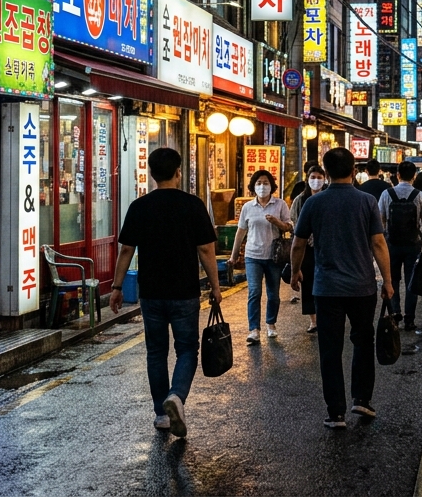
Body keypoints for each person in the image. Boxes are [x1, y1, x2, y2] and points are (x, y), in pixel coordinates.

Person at [109, 147, 222, 439]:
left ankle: (162, 413)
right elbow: (206, 249)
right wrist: (216, 287)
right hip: (184, 291)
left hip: (152, 293)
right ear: (178, 172)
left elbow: (126, 250)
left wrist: (117, 286)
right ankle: (176, 396)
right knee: (187, 349)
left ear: (151, 174)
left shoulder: (139, 206)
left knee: (156, 352)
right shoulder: (193, 204)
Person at [290, 147, 395, 429]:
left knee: (330, 349)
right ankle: (362, 399)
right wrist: (387, 280)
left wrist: (296, 272)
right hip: (362, 287)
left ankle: (335, 412)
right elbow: (378, 243)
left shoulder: (314, 203)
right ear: (353, 171)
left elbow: (298, 242)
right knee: (363, 342)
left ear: (325, 174)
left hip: (326, 289)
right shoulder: (366, 202)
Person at [229, 169, 293, 343]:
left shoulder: (280, 205)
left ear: (271, 186)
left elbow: (288, 227)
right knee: (254, 292)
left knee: (273, 295)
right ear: (253, 187)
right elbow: (240, 232)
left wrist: (276, 222)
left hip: (274, 257)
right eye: (258, 183)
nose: (262, 186)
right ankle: (254, 329)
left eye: (265, 183)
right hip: (253, 256)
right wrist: (233, 256)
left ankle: (271, 324)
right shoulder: (248, 207)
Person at [377, 161, 422, 334]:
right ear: (413, 176)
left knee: (393, 279)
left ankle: (395, 311)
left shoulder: (387, 194)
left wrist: (382, 239)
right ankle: (409, 319)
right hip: (413, 243)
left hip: (392, 243)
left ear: (398, 175)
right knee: (412, 281)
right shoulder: (419, 195)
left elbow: (381, 218)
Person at [290, 164, 327, 333]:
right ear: (307, 179)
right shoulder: (300, 200)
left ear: (325, 179)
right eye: (313, 177)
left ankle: (325, 315)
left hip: (326, 246)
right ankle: (313, 320)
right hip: (306, 247)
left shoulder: (329, 197)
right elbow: (294, 221)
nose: (316, 181)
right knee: (308, 282)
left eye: (319, 177)